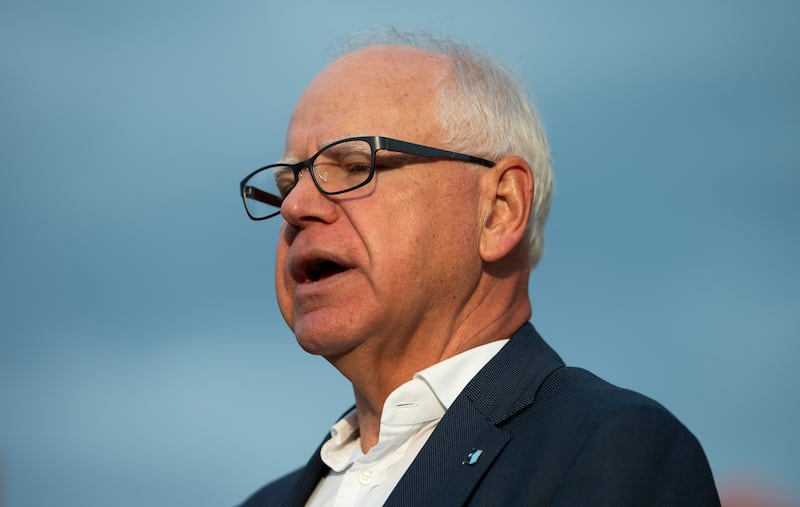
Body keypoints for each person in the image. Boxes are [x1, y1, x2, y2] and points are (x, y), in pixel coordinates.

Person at [237, 29, 720, 506]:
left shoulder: (605, 450)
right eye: (286, 184)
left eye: (354, 165)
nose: (295, 207)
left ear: (499, 209)